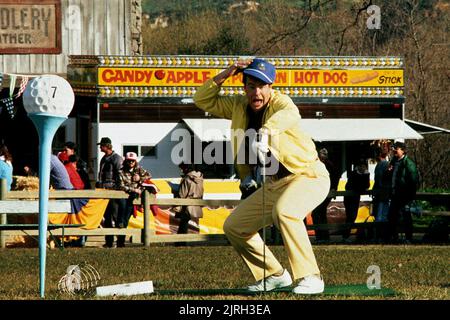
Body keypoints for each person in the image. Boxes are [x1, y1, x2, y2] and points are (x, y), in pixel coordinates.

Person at [193, 58, 330, 294]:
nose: (257, 92)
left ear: (271, 87)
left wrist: (266, 133)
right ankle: (274, 274)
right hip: (275, 184)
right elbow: (201, 99)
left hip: (308, 175)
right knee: (235, 226)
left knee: (285, 212)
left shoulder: (280, 103)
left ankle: (311, 277)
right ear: (244, 87)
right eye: (251, 85)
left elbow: (291, 113)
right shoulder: (238, 105)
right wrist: (229, 71)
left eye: (262, 85)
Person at [385, 141, 418, 244]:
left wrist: (410, 196)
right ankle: (393, 237)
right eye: (394, 149)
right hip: (395, 194)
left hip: (405, 195)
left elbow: (414, 180)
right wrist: (388, 172)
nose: (394, 151)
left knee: (406, 216)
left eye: (396, 149)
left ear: (402, 150)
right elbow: (387, 177)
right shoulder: (393, 162)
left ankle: (408, 238)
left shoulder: (409, 163)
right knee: (392, 216)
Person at [118, 152, 151, 247]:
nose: (131, 163)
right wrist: (134, 190)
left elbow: (149, 175)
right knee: (121, 218)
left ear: (135, 161)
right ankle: (120, 242)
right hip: (123, 196)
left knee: (126, 219)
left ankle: (121, 242)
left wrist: (139, 178)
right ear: (126, 161)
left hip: (133, 198)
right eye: (129, 161)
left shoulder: (139, 169)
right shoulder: (121, 171)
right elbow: (121, 186)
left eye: (132, 161)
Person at [96, 137, 125, 248]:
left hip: (113, 191)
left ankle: (120, 241)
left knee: (116, 216)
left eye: (101, 145)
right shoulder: (104, 158)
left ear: (106, 146)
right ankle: (109, 242)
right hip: (104, 191)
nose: (100, 147)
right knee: (107, 217)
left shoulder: (116, 158)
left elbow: (120, 175)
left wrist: (118, 190)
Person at [312, 148, 340, 243]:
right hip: (322, 191)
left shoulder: (327, 165)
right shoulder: (327, 165)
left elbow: (335, 177)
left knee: (317, 213)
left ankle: (321, 236)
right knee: (320, 213)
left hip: (324, 191)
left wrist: (333, 188)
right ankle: (323, 236)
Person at [342, 158, 370, 243]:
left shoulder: (364, 174)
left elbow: (366, 185)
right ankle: (345, 236)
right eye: (361, 165)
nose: (363, 167)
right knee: (351, 216)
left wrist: (366, 175)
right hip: (349, 198)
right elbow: (351, 186)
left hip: (356, 197)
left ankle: (345, 236)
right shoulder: (353, 174)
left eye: (364, 166)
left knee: (352, 217)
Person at [174, 163, 204, 235]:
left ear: (186, 168)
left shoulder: (186, 178)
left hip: (186, 204)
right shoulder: (200, 178)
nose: (181, 170)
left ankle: (180, 242)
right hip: (197, 202)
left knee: (183, 224)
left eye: (182, 168)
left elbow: (182, 194)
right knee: (193, 224)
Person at [372, 150, 391, 241]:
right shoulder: (386, 164)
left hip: (381, 193)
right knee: (383, 215)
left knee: (379, 215)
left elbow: (378, 179)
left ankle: (379, 236)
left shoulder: (380, 165)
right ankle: (383, 236)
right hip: (385, 193)